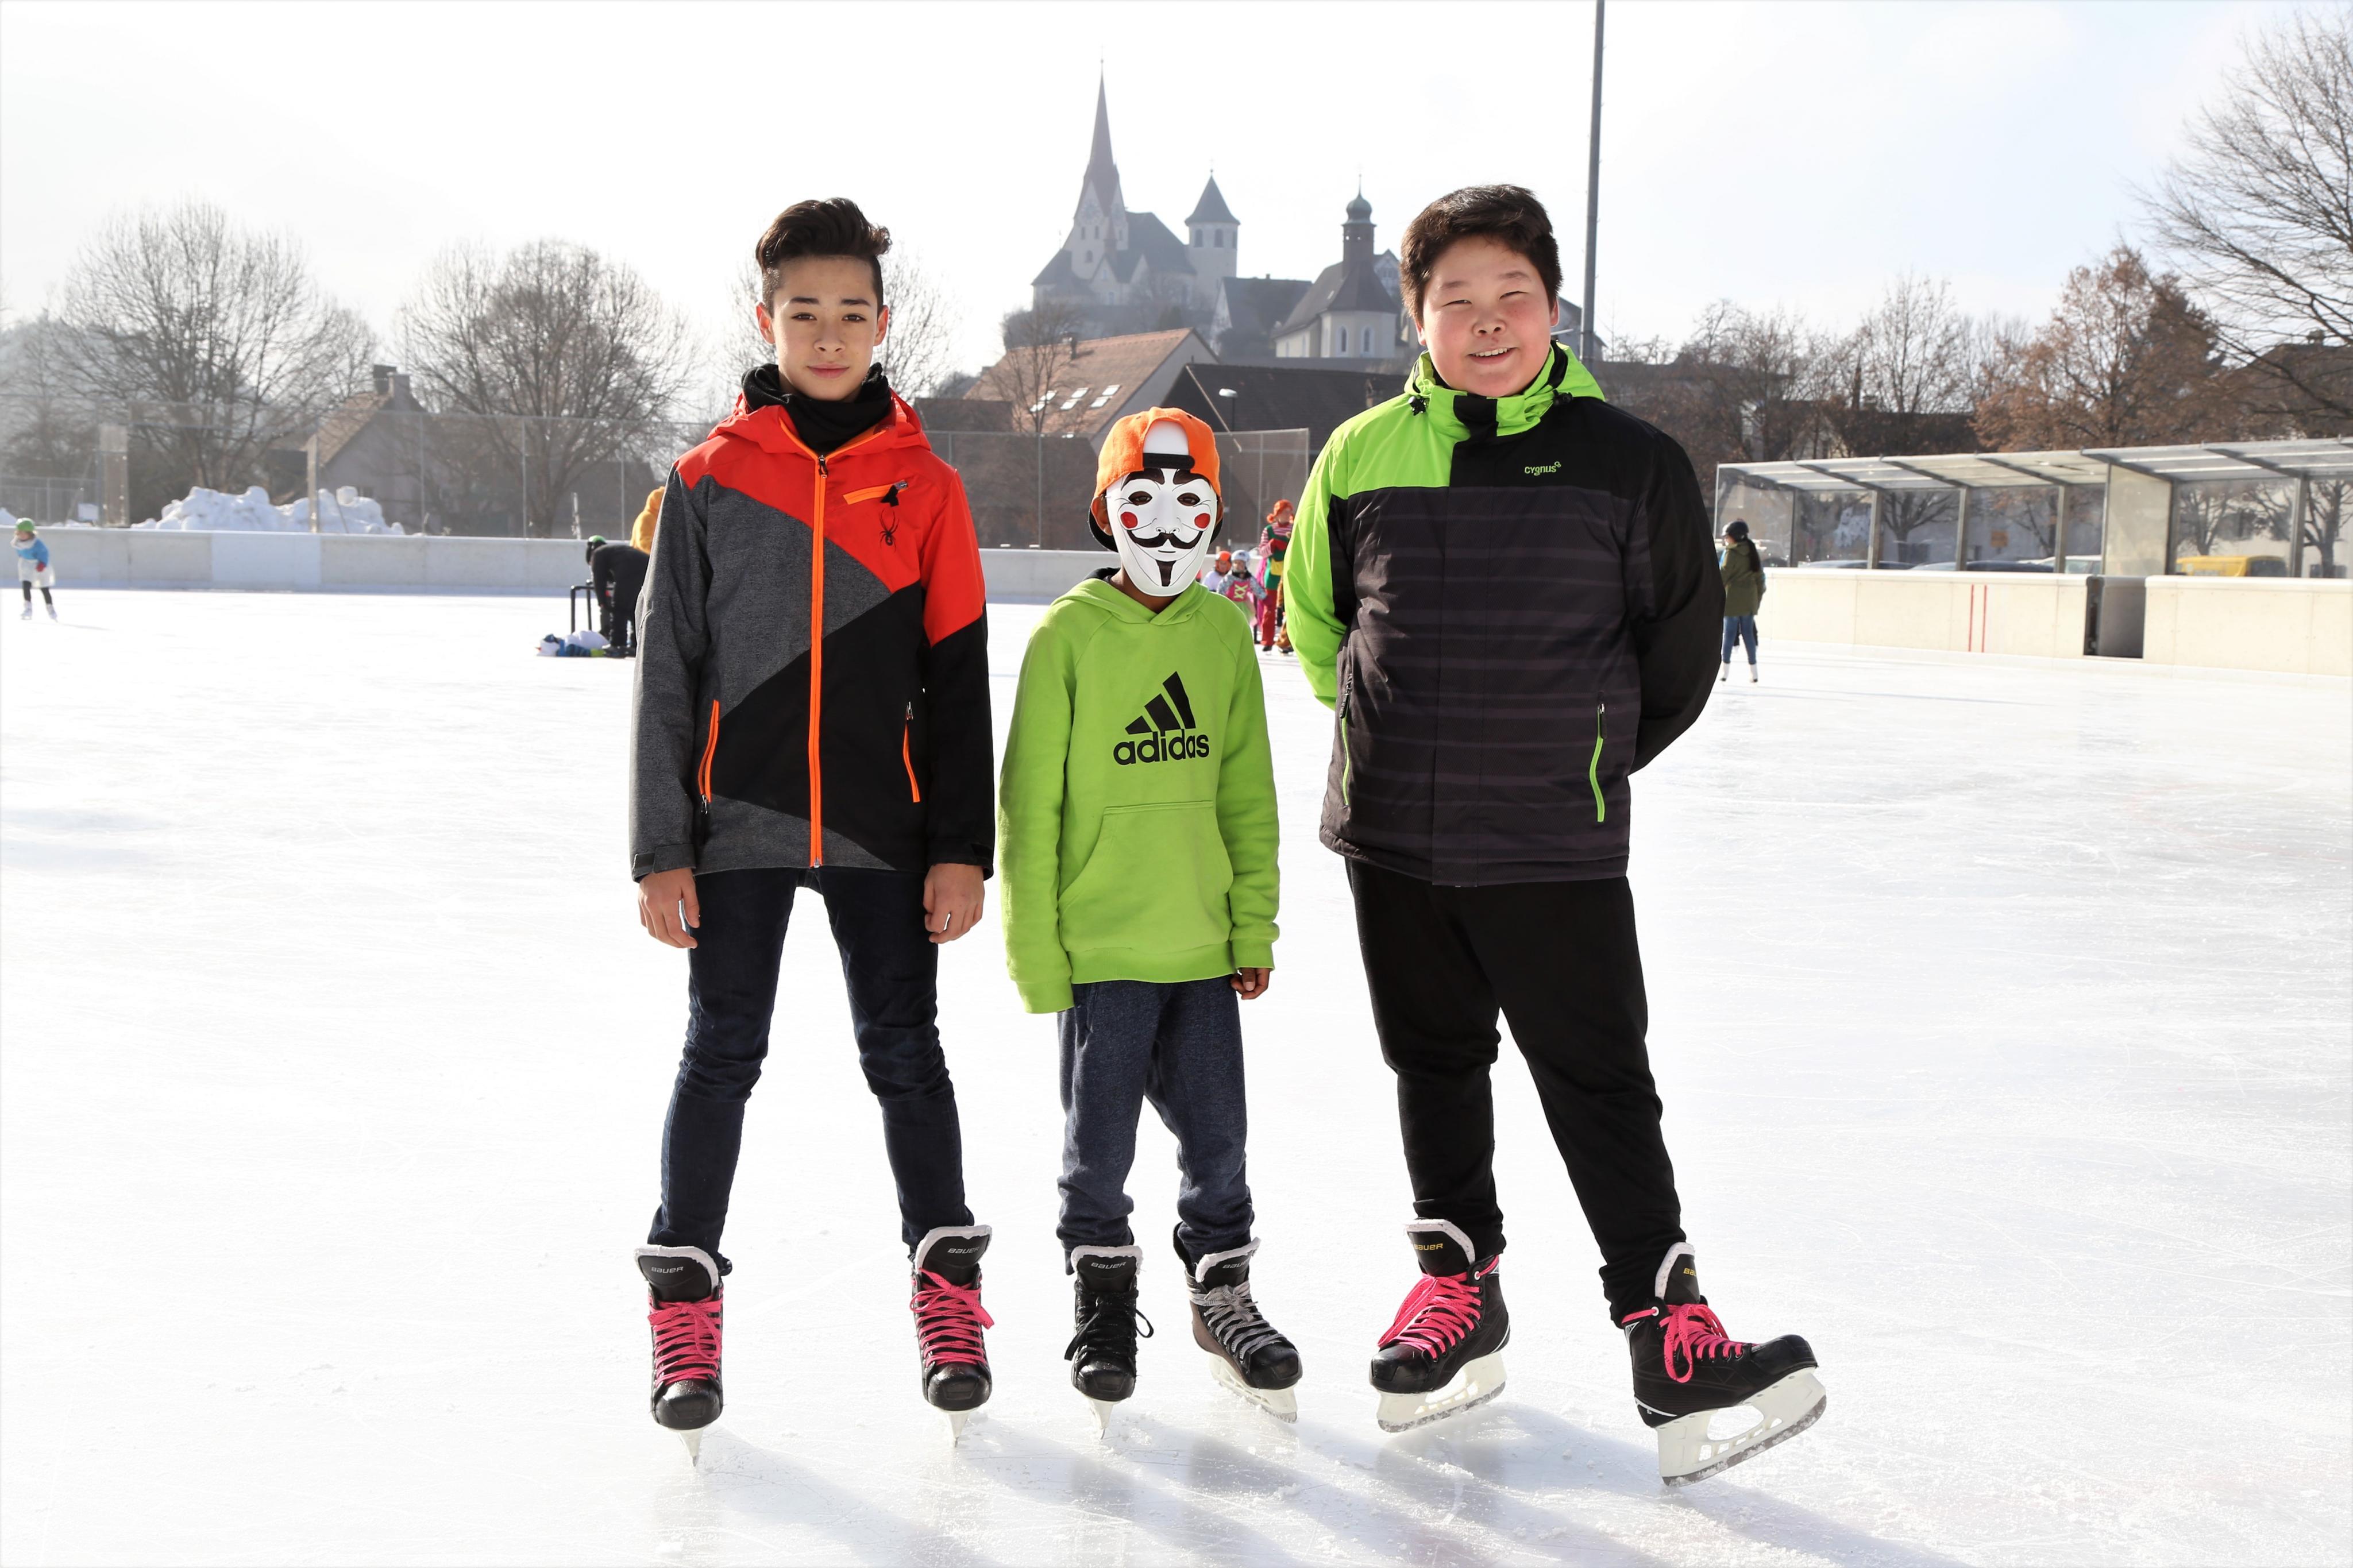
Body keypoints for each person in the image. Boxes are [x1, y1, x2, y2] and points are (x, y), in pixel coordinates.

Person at [1284, 185, 1822, 1484]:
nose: (1485, 323)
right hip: (1394, 837)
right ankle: (1458, 1289)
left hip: (1553, 841)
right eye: (1455, 301)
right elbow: (1317, 624)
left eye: (1510, 297)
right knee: (1432, 1062)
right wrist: (1389, 738)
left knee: (1596, 1077)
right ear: (1415, 316)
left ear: (1554, 307)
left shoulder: (1629, 462)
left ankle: (1668, 1330)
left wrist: (1576, 761)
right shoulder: (1357, 454)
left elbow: (1677, 655)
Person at [628, 197, 999, 1449]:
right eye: (805, 313)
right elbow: (666, 676)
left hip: (884, 829)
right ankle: (686, 1307)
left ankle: (948, 1298)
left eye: (850, 312)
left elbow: (959, 680)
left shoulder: (928, 486)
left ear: (883, 324)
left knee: (906, 1055)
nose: (828, 335)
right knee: (721, 1053)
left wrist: (961, 847)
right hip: (733, 823)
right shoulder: (707, 479)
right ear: (766, 321)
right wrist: (660, 849)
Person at [999, 407, 1301, 1426]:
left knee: (1221, 1139)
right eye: (1144, 498)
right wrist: (1038, 956)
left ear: (1214, 514)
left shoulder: (1222, 635)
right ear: (1107, 511)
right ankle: (1102, 1294)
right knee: (1099, 1149)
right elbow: (1028, 808)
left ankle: (1222, 1294)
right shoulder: (1069, 637)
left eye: (1190, 500)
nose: (1168, 521)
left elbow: (1247, 795)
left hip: (1202, 947)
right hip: (1103, 950)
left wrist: (1251, 926)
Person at [1719, 519, 1765, 683]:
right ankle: (1754, 672)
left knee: (1729, 635)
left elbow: (1723, 575)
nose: (1726, 539)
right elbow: (1760, 579)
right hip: (1749, 600)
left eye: (1728, 536)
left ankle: (1724, 672)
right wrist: (1756, 600)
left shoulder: (1731, 553)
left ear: (1735, 537)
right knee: (1748, 635)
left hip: (1733, 600)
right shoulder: (1752, 551)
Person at [590, 536, 651, 657]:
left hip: (629, 569)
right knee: (634, 609)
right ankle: (637, 643)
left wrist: (602, 602)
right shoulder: (614, 551)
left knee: (619, 608)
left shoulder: (597, 554)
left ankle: (617, 644)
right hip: (647, 565)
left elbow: (599, 580)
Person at [1255, 501, 1293, 653]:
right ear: (1277, 514)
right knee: (1270, 609)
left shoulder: (1294, 528)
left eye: (1289, 511)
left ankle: (1286, 642)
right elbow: (1262, 552)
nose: (1288, 515)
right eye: (1285, 511)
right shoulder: (1269, 530)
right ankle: (1267, 640)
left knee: (1290, 609)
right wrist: (1272, 544)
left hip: (1290, 575)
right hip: (1273, 575)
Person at [13, 522, 55, 620]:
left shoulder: (37, 544)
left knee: (44, 588)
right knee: (26, 585)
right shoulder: (17, 542)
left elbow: (44, 553)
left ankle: (50, 608)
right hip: (26, 566)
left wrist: (43, 563)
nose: (22, 536)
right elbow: (20, 552)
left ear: (30, 534)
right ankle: (28, 608)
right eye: (20, 533)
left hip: (39, 566)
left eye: (25, 533)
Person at [630, 485, 663, 554]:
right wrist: (661, 552)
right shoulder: (647, 517)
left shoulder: (658, 518)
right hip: (641, 558)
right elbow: (643, 542)